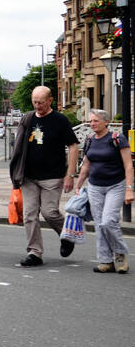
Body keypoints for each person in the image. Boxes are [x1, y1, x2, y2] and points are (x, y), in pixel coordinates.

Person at [9, 85, 79, 267]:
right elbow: (18, 147)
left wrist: (70, 175)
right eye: (34, 102)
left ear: (50, 101)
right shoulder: (28, 118)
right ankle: (35, 253)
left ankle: (67, 236)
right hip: (28, 177)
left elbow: (73, 146)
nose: (37, 106)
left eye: (40, 102)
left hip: (52, 176)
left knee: (50, 212)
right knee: (29, 214)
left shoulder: (60, 120)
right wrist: (16, 173)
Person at [75, 108, 133, 273]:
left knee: (108, 222)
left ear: (106, 122)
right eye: (91, 121)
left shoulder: (117, 138)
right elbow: (86, 164)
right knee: (100, 224)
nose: (92, 124)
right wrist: (78, 184)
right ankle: (105, 261)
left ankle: (120, 254)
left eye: (96, 121)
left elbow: (128, 165)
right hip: (95, 186)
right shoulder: (90, 140)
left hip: (116, 185)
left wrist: (129, 189)